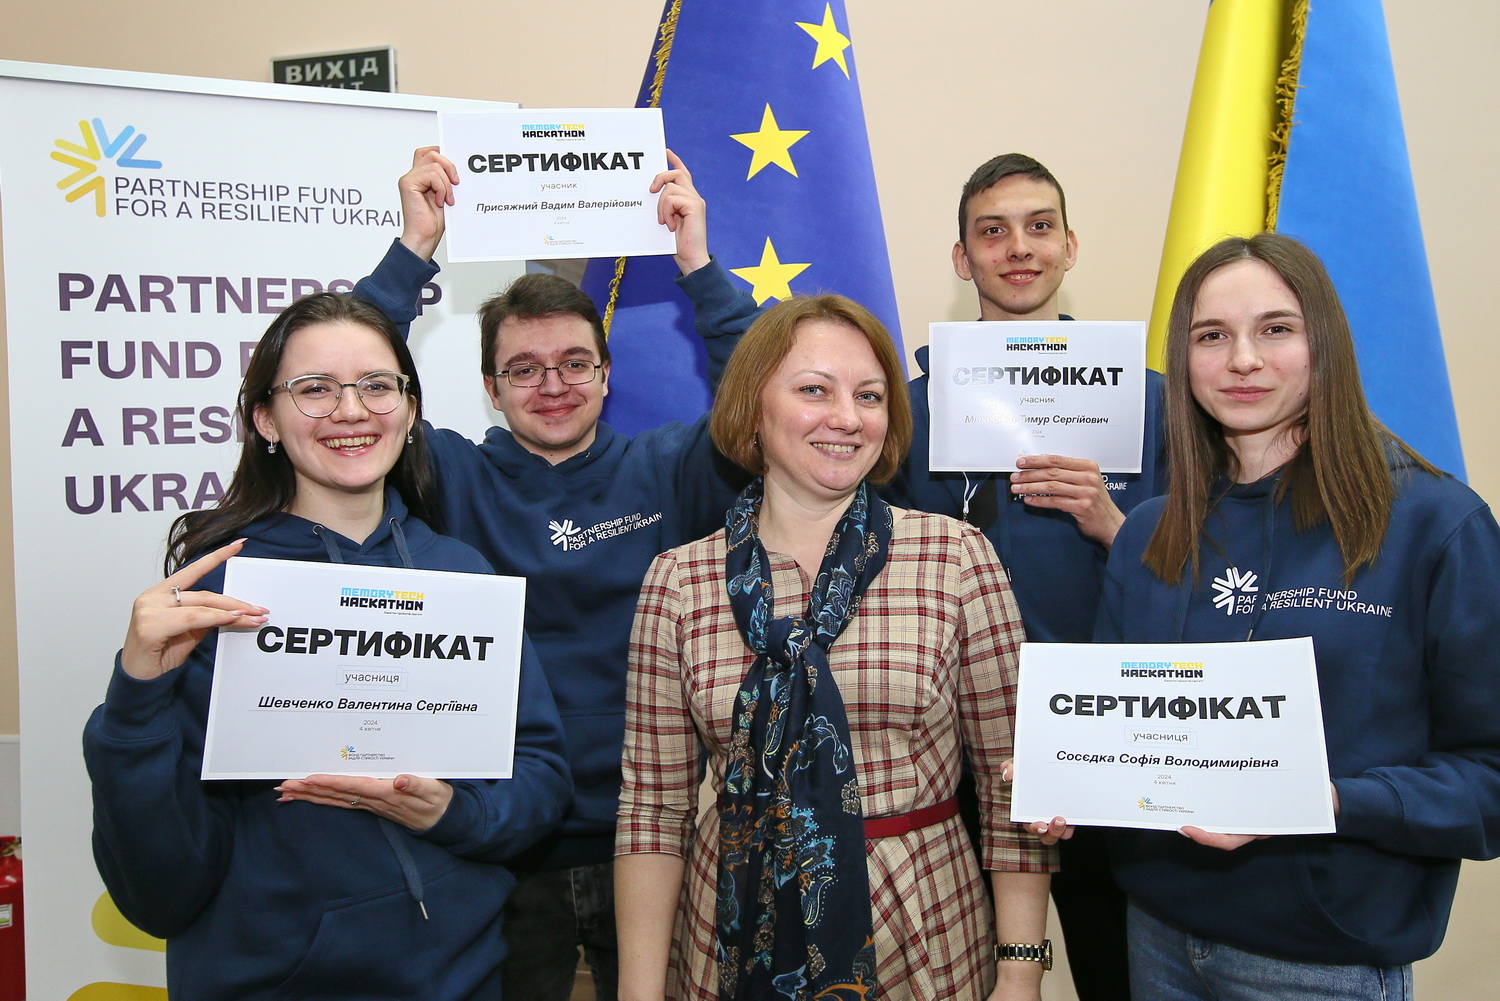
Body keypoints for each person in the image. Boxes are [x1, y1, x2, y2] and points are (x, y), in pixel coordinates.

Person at [677, 152, 1151, 999]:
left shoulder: (1145, 400)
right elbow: (777, 392)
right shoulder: (899, 409)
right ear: (962, 258)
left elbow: (1208, 584)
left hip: (1105, 743)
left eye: (1040, 227)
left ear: (1071, 246)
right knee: (980, 958)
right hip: (952, 757)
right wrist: (702, 269)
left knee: (1124, 975)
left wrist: (1116, 527)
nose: (1018, 247)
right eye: (992, 231)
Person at [82, 292, 572, 1000]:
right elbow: (158, 895)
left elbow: (540, 775)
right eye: (314, 389)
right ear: (265, 418)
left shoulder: (462, 576)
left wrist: (452, 813)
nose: (351, 410)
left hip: (464, 977)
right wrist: (134, 700)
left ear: (409, 409)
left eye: (376, 385)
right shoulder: (216, 595)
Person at [349, 149, 749, 1001]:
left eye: (574, 362)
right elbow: (349, 380)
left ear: (606, 375)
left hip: (658, 836)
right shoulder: (446, 476)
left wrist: (698, 263)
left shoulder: (673, 466)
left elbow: (768, 392)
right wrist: (413, 250)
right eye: (524, 369)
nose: (553, 385)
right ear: (490, 388)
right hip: (499, 843)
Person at [1059, 233, 1500, 999]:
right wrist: (1065, 773)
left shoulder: (1434, 523)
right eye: (1211, 335)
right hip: (1155, 934)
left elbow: (1488, 774)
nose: (1242, 360)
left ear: (1323, 342)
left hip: (1321, 961)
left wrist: (1328, 799)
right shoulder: (1149, 531)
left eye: (1275, 328)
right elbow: (1121, 732)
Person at [615, 294, 1055, 1001]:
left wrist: (1020, 970)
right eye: (815, 390)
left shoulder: (956, 557)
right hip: (728, 939)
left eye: (869, 395)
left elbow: (1015, 784)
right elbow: (652, 811)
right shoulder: (678, 581)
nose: (847, 417)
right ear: (751, 408)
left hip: (923, 932)